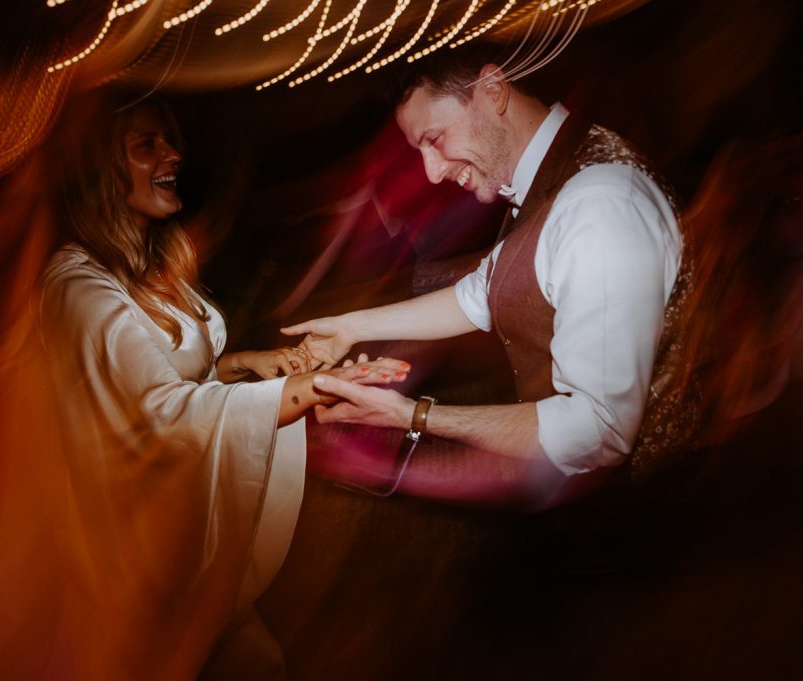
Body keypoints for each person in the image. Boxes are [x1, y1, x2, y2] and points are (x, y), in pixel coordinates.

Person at [39, 95, 409, 679]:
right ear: (98, 173)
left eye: (169, 140)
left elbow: (178, 372)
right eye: (147, 145)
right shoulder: (79, 289)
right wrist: (309, 389)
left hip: (181, 527)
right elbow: (159, 412)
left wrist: (245, 364)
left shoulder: (151, 261)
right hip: (136, 549)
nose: (174, 154)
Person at [283, 51, 698, 507]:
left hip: (634, 507)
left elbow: (600, 431)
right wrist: (352, 327)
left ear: (493, 91)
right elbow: (480, 292)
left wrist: (411, 416)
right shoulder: (549, 174)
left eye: (435, 139)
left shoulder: (598, 207)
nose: (432, 172)